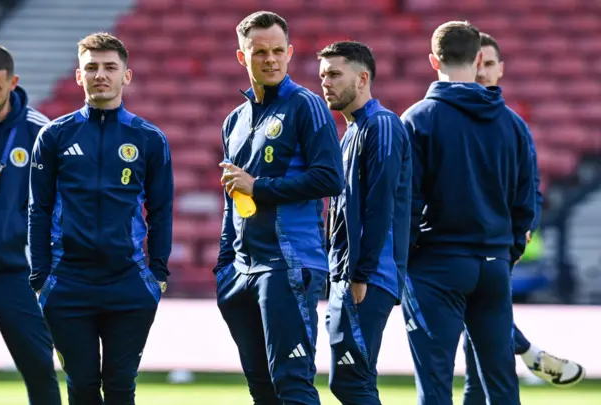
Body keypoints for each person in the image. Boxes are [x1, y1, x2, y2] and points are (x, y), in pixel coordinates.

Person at [28, 32, 173, 405]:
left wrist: (157, 274)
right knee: (82, 387)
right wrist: (41, 278)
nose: (100, 75)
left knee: (121, 387)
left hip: (128, 281)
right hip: (68, 283)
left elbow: (161, 210)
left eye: (110, 67)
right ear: (79, 76)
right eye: (91, 67)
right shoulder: (54, 136)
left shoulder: (149, 139)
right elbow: (38, 209)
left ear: (127, 75)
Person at [400, 21, 536, 405]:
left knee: (436, 384)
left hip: (438, 264)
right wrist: (505, 254)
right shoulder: (513, 123)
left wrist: (407, 257)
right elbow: (525, 202)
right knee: (501, 384)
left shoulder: (417, 119)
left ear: (433, 60)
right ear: (478, 59)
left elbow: (406, 200)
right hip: (493, 265)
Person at [215, 11, 344, 405]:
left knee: (292, 383)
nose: (269, 59)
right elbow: (232, 197)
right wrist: (224, 263)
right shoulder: (234, 121)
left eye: (277, 51)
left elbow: (330, 178)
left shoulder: (306, 106)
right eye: (259, 52)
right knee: (262, 389)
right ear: (242, 57)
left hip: (287, 263)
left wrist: (260, 186)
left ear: (289, 54)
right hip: (240, 271)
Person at [462, 33, 585, 404]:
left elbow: (529, 185)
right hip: (450, 244)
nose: (481, 71)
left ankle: (528, 353)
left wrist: (520, 232)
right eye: (476, 63)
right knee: (480, 340)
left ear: (501, 69)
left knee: (478, 357)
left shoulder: (513, 126)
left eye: (488, 63)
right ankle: (530, 353)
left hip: (492, 249)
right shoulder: (438, 117)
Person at [0, 44, 61, 405]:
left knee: (40, 370)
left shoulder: (40, 133)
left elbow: (57, 205)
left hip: (15, 274)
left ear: (13, 82)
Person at [317, 41, 412, 405]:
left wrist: (362, 274)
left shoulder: (382, 124)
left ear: (363, 78)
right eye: (323, 75)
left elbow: (380, 204)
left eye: (336, 74)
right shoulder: (351, 133)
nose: (326, 82)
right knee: (356, 379)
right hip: (349, 274)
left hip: (369, 275)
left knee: (350, 381)